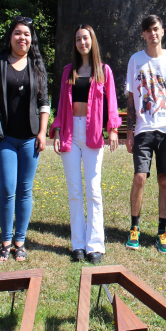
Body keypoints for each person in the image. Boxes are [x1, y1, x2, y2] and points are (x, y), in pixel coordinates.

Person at [0, 16, 50, 262]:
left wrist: (42, 132)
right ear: (10, 37)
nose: (22, 38)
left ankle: (21, 241)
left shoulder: (37, 66)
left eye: (27, 34)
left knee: (25, 190)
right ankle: (6, 242)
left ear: (31, 39)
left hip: (30, 138)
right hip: (5, 136)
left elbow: (44, 102)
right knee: (7, 189)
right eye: (18, 33)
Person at [51, 24, 122, 264]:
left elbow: (112, 102)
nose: (82, 42)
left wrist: (112, 129)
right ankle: (78, 244)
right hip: (71, 132)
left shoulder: (104, 71)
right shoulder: (68, 71)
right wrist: (57, 130)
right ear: (75, 43)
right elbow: (61, 105)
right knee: (74, 192)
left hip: (92, 133)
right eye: (78, 39)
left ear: (92, 41)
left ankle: (95, 245)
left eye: (86, 38)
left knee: (93, 190)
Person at [125, 14, 166, 254]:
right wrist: (129, 132)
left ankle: (162, 232)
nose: (153, 34)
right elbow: (130, 98)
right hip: (143, 129)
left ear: (162, 31)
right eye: (148, 30)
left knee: (164, 180)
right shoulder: (135, 60)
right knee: (140, 177)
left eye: (156, 29)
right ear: (143, 34)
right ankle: (134, 228)